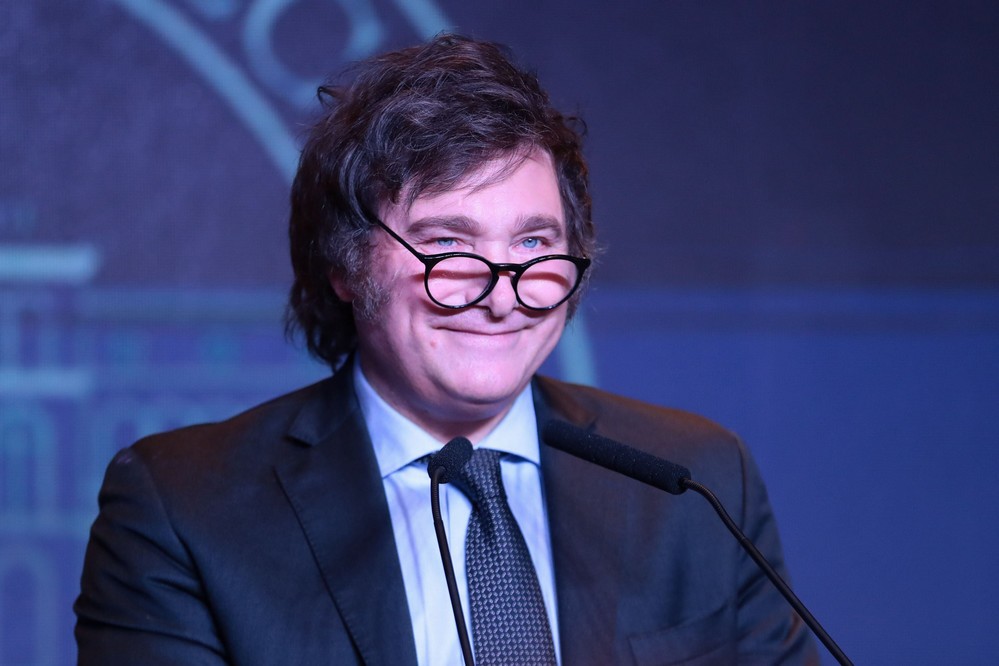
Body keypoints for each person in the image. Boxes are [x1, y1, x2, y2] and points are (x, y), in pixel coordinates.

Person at [75, 34, 818, 665]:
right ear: (345, 266)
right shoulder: (184, 509)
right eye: (448, 247)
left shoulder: (696, 483)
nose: (501, 294)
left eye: (533, 244)